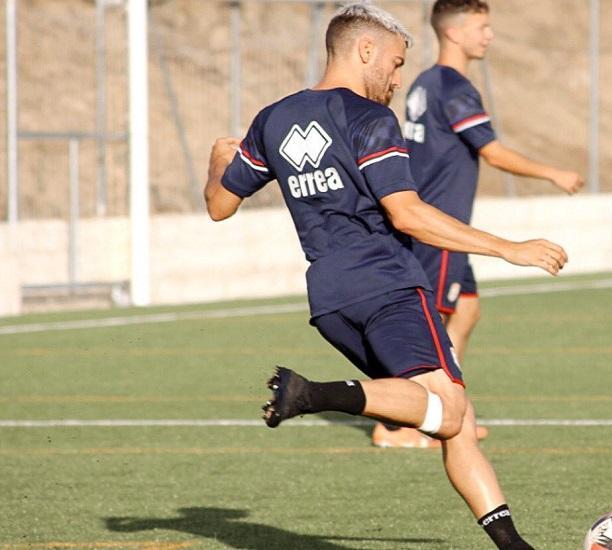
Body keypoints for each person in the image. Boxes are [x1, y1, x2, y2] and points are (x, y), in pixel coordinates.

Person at [204, 4, 566, 549]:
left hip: (330, 299)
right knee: (449, 413)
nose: (398, 81)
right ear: (364, 50)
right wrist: (508, 248)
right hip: (388, 284)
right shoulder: (370, 119)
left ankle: (515, 546)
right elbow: (408, 213)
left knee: (452, 417)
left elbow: (218, 205)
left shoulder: (273, 119)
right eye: (395, 65)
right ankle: (314, 394)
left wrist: (216, 163)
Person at [372, 0, 585, 448]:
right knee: (426, 325)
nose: (489, 35)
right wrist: (552, 172)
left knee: (466, 311)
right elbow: (491, 151)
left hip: (448, 228)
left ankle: (449, 410)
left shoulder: (427, 82)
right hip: (440, 227)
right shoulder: (454, 87)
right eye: (481, 26)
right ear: (454, 31)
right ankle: (395, 425)